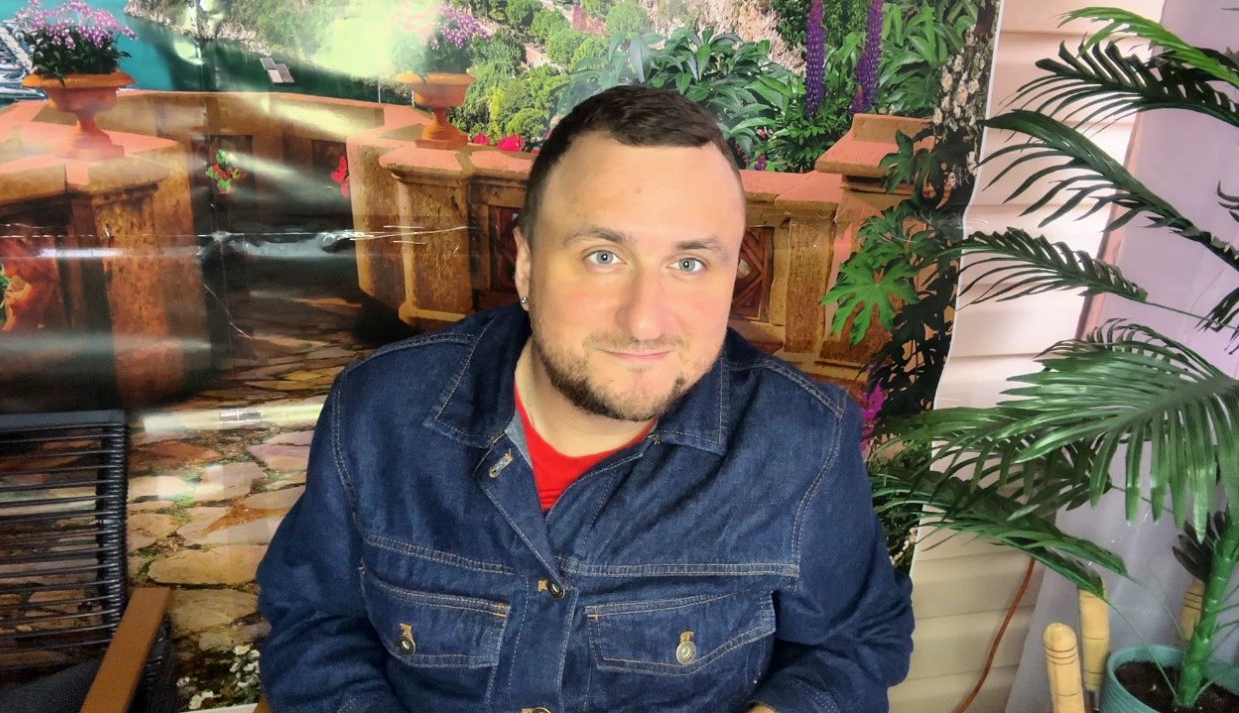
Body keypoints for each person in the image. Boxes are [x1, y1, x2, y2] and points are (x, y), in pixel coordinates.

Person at [257, 84, 914, 713]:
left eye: (689, 264)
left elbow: (855, 641)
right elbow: (315, 621)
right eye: (603, 256)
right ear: (526, 264)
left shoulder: (801, 442)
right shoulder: (377, 414)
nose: (645, 321)